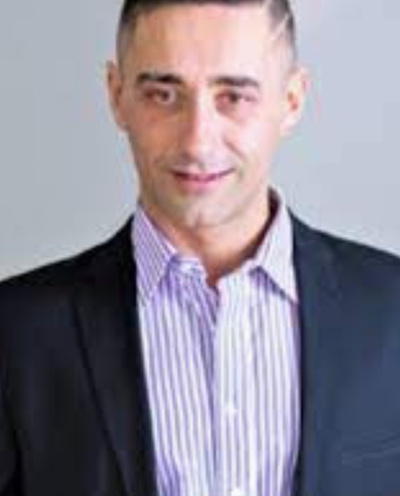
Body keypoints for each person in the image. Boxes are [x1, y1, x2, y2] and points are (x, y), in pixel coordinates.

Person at [0, 0, 399, 494]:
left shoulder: (391, 310)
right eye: (163, 94)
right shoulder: (16, 333)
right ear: (117, 95)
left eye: (233, 96)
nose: (197, 141)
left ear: (292, 100)